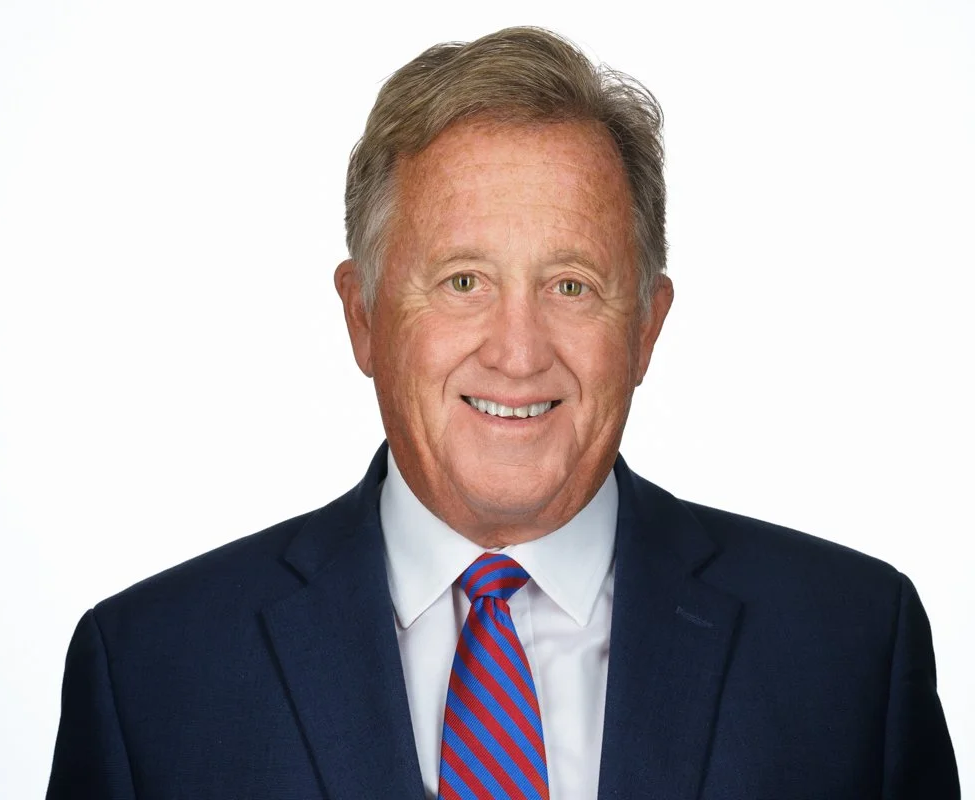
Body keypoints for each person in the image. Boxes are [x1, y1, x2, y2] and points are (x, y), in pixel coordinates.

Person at [46, 26, 959, 800]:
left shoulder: (850, 649)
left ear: (646, 327)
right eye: (463, 281)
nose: (518, 353)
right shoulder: (151, 674)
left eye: (572, 284)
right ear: (363, 317)